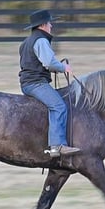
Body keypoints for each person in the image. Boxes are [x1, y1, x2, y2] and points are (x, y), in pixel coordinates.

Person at [19, 9, 81, 158]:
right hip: (36, 84)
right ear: (42, 25)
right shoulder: (41, 40)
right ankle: (57, 146)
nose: (51, 26)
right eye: (49, 23)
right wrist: (63, 68)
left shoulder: (26, 42)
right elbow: (49, 62)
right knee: (59, 106)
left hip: (29, 83)